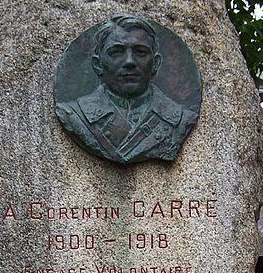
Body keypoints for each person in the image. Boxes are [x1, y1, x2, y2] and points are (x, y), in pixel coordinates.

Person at [55, 14, 198, 164]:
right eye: (116, 52)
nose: (129, 61)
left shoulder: (181, 119)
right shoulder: (74, 116)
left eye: (140, 52)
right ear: (98, 64)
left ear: (155, 63)